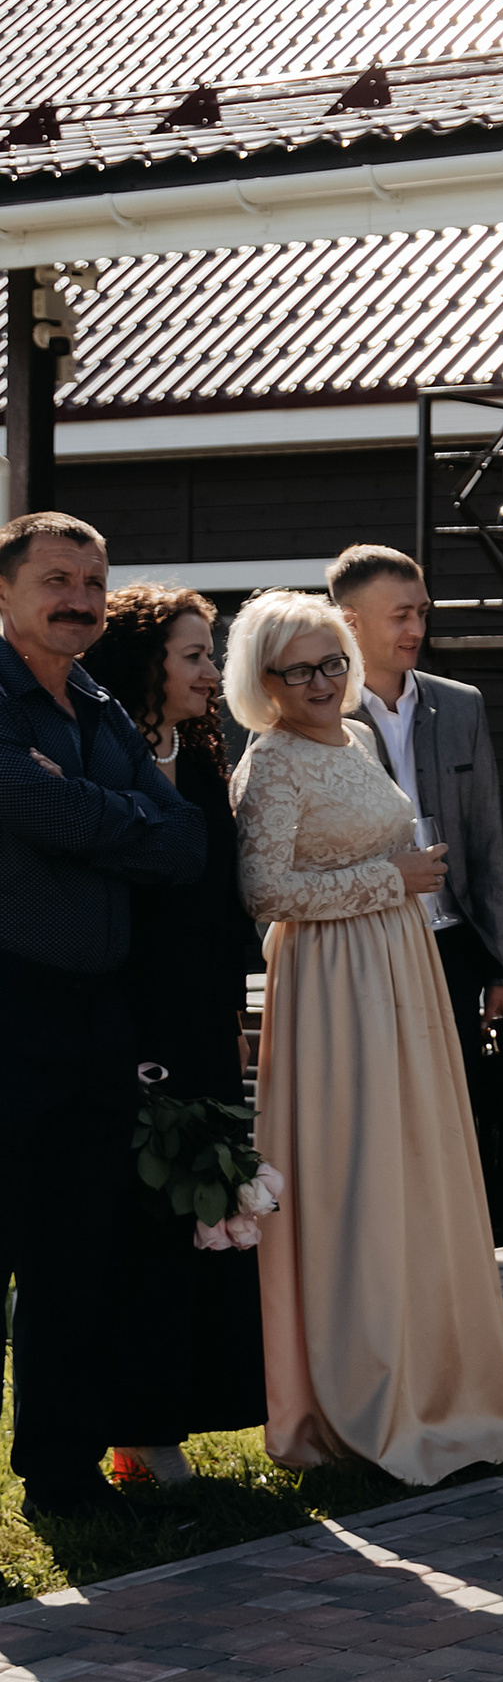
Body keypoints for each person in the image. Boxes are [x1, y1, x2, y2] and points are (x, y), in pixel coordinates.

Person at [229, 589, 503, 1485]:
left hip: (401, 968)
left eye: (331, 662)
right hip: (330, 986)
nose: (320, 681)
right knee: (356, 1170)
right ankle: (360, 1395)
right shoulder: (271, 764)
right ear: (264, 682)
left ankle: (444, 1383)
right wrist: (384, 878)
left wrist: (398, 886)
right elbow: (264, 894)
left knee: (418, 1165)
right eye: (298, 669)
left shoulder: (356, 739)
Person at [0, 514, 204, 1520]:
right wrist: (103, 816)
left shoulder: (101, 705)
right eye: (56, 579)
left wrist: (79, 805)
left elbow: (184, 843)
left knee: (76, 1256)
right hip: (5, 1005)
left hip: (96, 1020)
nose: (79, 596)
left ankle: (63, 1478)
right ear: (4, 591)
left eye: (93, 579)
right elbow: (31, 811)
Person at [89, 585, 265, 1485]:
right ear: (146, 658)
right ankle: (136, 1435)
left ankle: (178, 1421)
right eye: (195, 654)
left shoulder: (203, 757)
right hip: (117, 1022)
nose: (210, 671)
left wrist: (231, 1026)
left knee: (202, 1221)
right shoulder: (98, 752)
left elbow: (221, 904)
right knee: (135, 1230)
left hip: (200, 1021)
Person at [330, 544, 503, 1059]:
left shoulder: (462, 706)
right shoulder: (313, 714)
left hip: (453, 948)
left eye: (422, 612)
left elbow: (486, 843)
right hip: (360, 949)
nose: (416, 628)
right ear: (350, 621)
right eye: (400, 616)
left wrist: (500, 971)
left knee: (455, 1113)